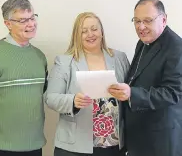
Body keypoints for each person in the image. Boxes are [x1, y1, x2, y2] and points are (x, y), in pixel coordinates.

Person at [46, 12, 129, 156]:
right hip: (74, 147)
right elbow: (50, 98)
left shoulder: (119, 58)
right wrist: (72, 101)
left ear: (101, 31)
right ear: (76, 35)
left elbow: (130, 91)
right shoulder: (65, 61)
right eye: (84, 31)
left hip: (114, 144)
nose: (90, 34)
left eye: (94, 29)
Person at [108, 0, 182, 156]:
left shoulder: (177, 47)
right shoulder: (142, 42)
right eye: (137, 21)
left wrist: (131, 94)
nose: (141, 27)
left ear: (164, 19)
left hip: (160, 140)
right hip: (139, 137)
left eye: (147, 20)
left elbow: (173, 93)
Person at [0, 0, 48, 156]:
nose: (31, 24)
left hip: (34, 145)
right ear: (8, 24)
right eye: (22, 20)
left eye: (32, 17)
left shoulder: (39, 57)